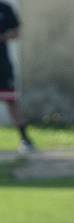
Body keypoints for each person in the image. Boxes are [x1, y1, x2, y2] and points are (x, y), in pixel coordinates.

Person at [0, 1, 33, 152]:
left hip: (2, 64)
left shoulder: (5, 8)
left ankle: (25, 139)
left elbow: (16, 31)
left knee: (11, 100)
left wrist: (4, 35)